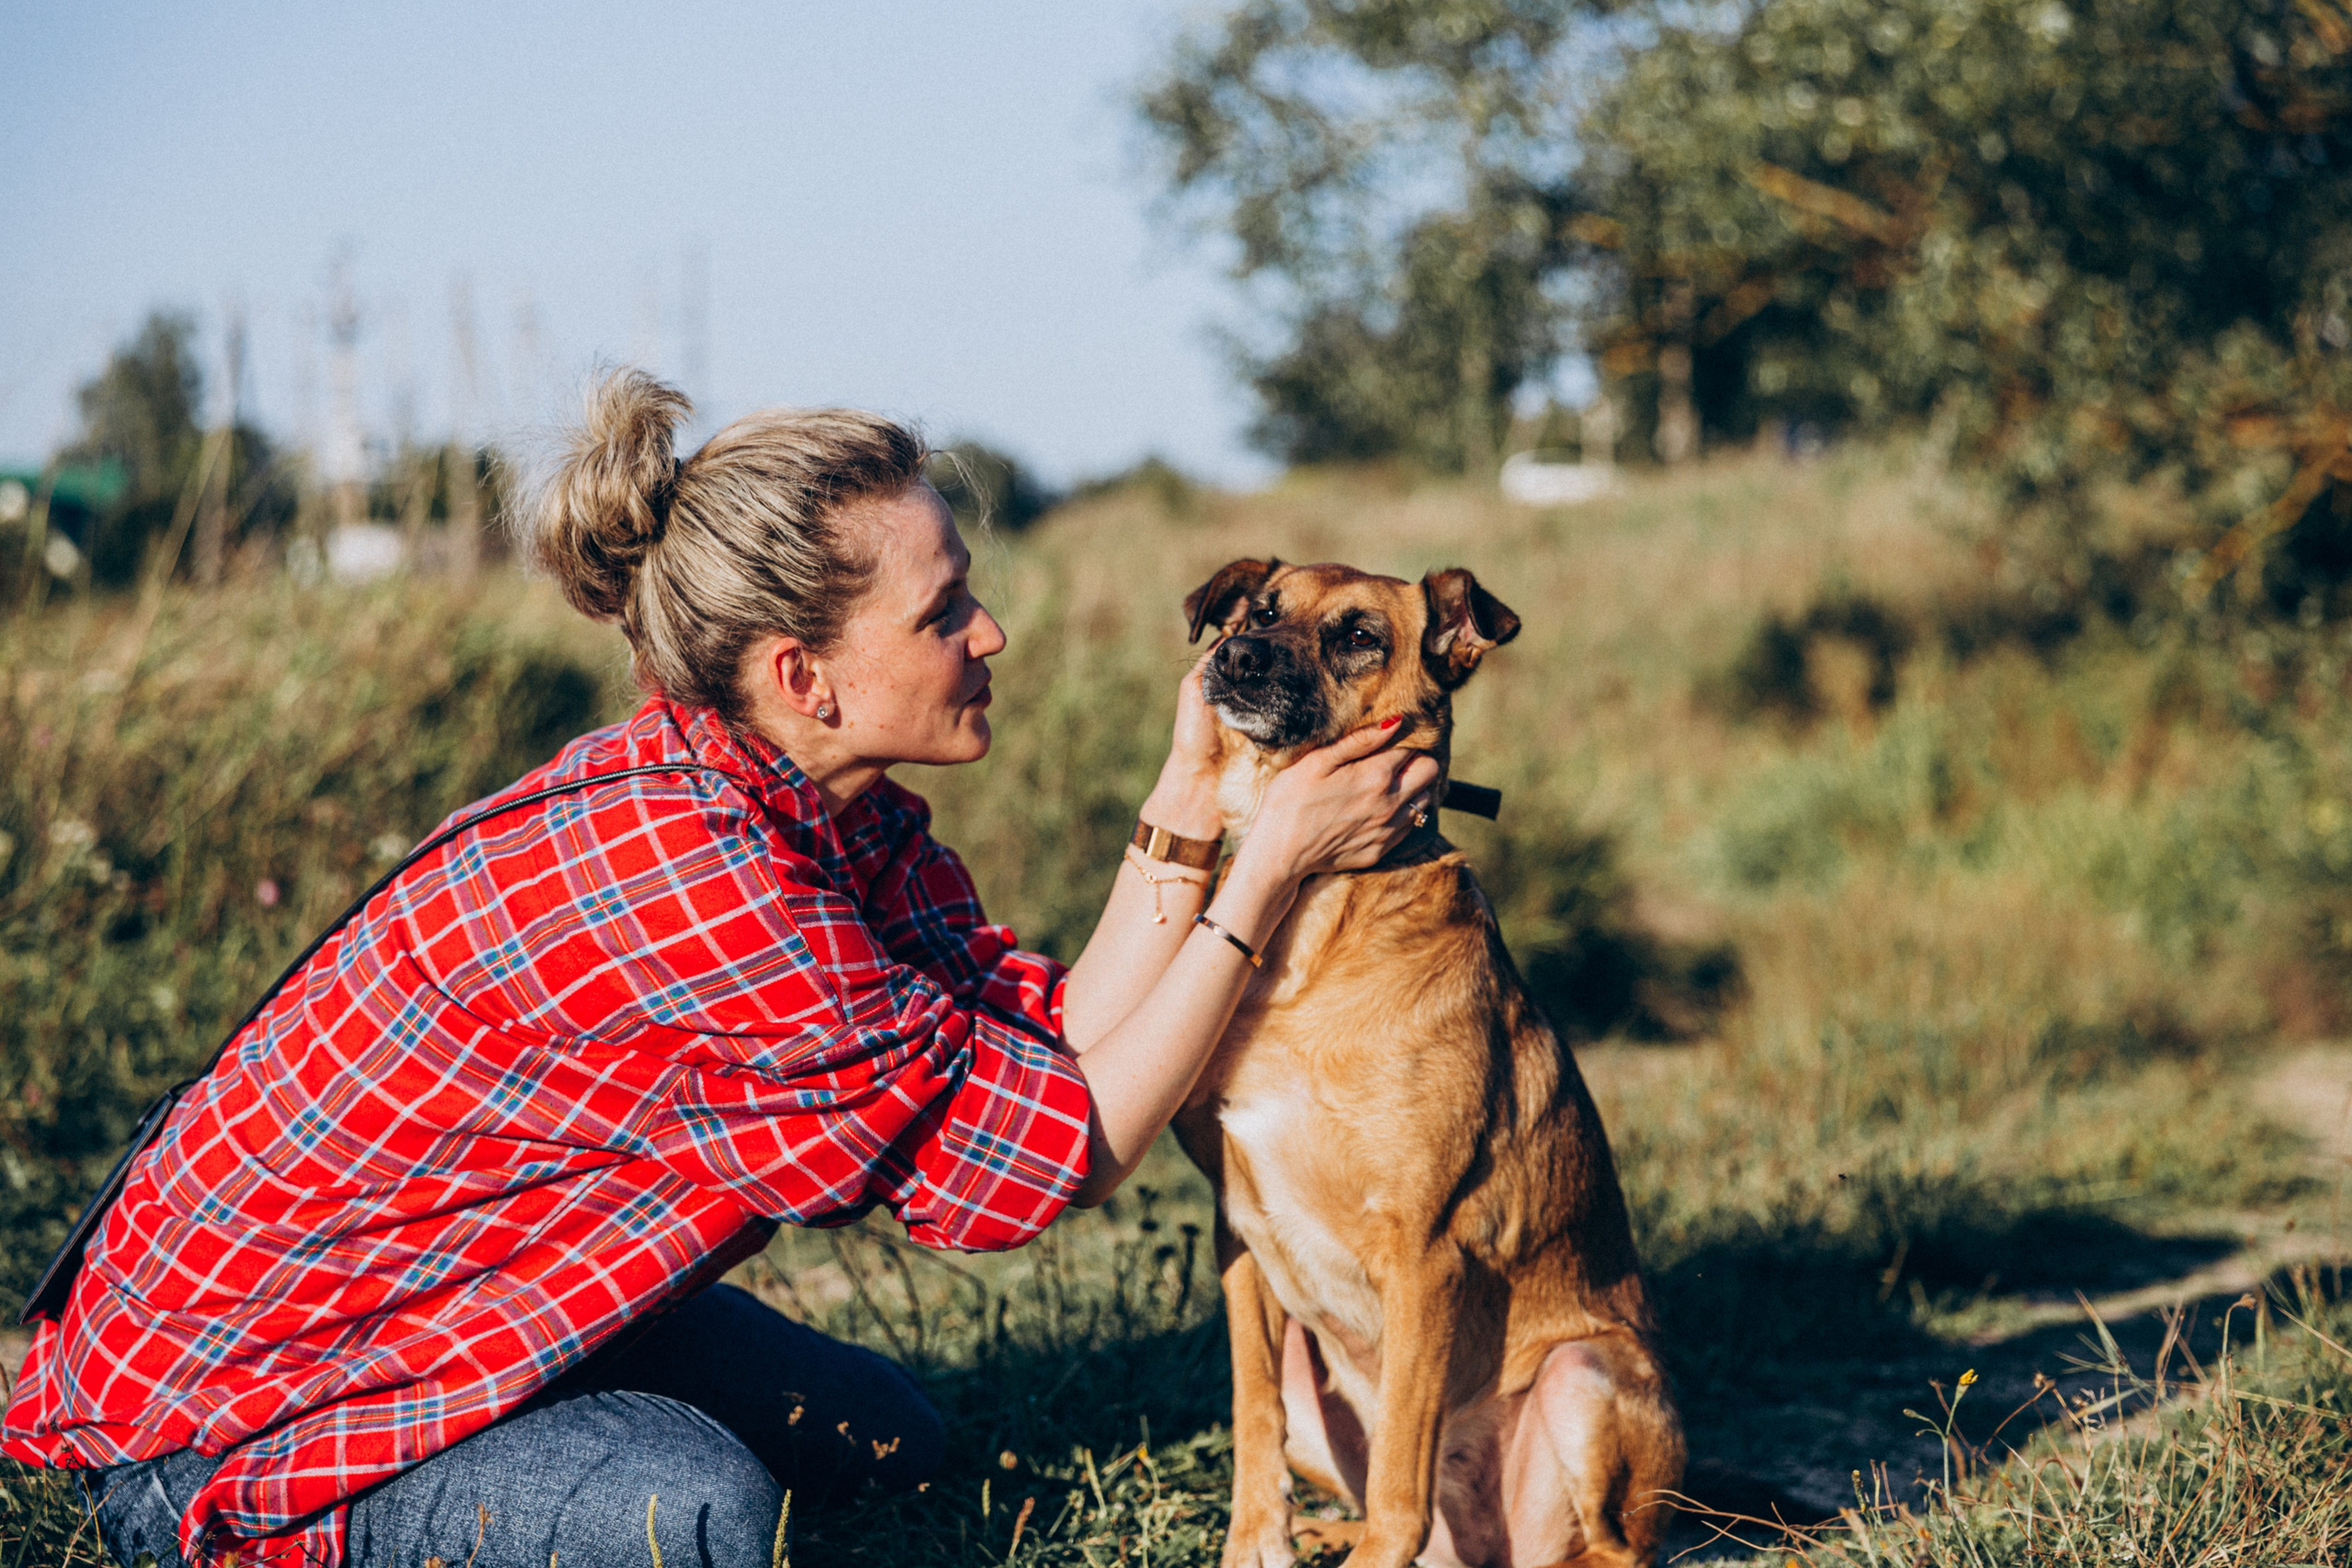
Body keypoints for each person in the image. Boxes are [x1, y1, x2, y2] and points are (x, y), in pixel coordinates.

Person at [1, 370, 1442, 1568]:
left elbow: (1042, 1034)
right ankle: (237, 1524)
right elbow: (1045, 1165)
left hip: (437, 1304)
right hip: (225, 1414)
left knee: (896, 1435)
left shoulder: (809, 809)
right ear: (804, 676)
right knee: (695, 1516)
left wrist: (1193, 801)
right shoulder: (700, 883)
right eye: (944, 613)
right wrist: (1272, 866)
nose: (991, 632)